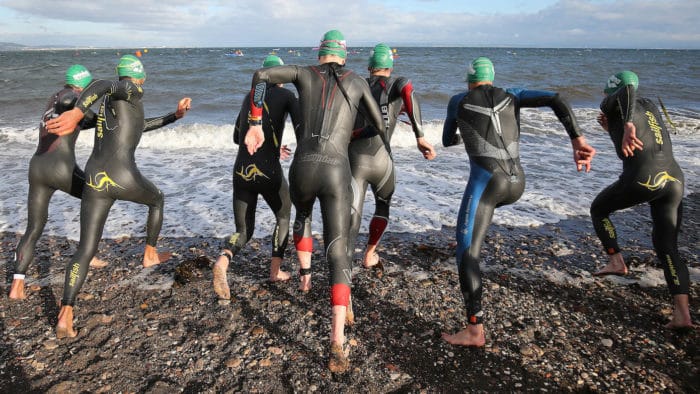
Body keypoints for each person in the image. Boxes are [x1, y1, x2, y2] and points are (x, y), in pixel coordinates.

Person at [243, 30, 388, 372]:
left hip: (303, 167)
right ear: (345, 56)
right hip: (336, 170)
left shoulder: (303, 73)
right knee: (339, 248)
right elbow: (379, 124)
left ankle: (306, 278)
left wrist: (255, 122)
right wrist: (348, 135)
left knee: (302, 216)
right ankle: (337, 339)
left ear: (319, 53)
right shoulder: (358, 82)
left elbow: (261, 76)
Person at [441, 57, 596, 346]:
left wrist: (464, 133)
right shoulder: (513, 95)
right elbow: (557, 98)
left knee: (466, 253)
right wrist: (577, 139)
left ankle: (474, 331)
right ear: (493, 77)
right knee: (474, 225)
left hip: (488, 183)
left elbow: (448, 140)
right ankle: (472, 232)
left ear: (468, 80)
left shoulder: (458, 101)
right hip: (517, 183)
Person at [45, 54, 192, 338]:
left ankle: (66, 312)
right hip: (121, 176)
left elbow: (141, 126)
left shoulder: (118, 107)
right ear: (139, 76)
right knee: (157, 198)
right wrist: (77, 112)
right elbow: (101, 84)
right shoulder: (132, 89)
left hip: (95, 179)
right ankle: (149, 254)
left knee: (85, 250)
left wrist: (175, 116)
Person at [591, 71, 692, 329]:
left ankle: (616, 261)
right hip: (674, 180)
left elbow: (626, 91)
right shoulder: (649, 106)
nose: (605, 99)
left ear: (611, 90)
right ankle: (682, 315)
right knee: (667, 246)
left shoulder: (617, 100)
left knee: (599, 208)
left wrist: (625, 124)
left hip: (646, 179)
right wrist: (612, 128)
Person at [9, 65, 108, 300]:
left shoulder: (52, 99)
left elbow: (83, 120)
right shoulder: (71, 97)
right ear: (83, 85)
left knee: (33, 228)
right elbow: (75, 106)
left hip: (37, 167)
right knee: (96, 197)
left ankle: (17, 285)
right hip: (60, 168)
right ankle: (88, 254)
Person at [212, 55, 301, 300]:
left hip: (241, 170)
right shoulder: (287, 96)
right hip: (268, 172)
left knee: (243, 229)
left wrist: (270, 145)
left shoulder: (248, 98)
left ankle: (222, 261)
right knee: (283, 216)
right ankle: (275, 271)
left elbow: (236, 137)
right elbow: (303, 125)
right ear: (281, 78)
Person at [347, 43, 436, 270]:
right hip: (383, 162)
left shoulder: (356, 84)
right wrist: (420, 136)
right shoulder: (397, 83)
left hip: (355, 160)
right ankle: (369, 254)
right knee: (382, 205)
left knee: (351, 212)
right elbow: (407, 89)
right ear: (390, 66)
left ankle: (343, 264)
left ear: (369, 66)